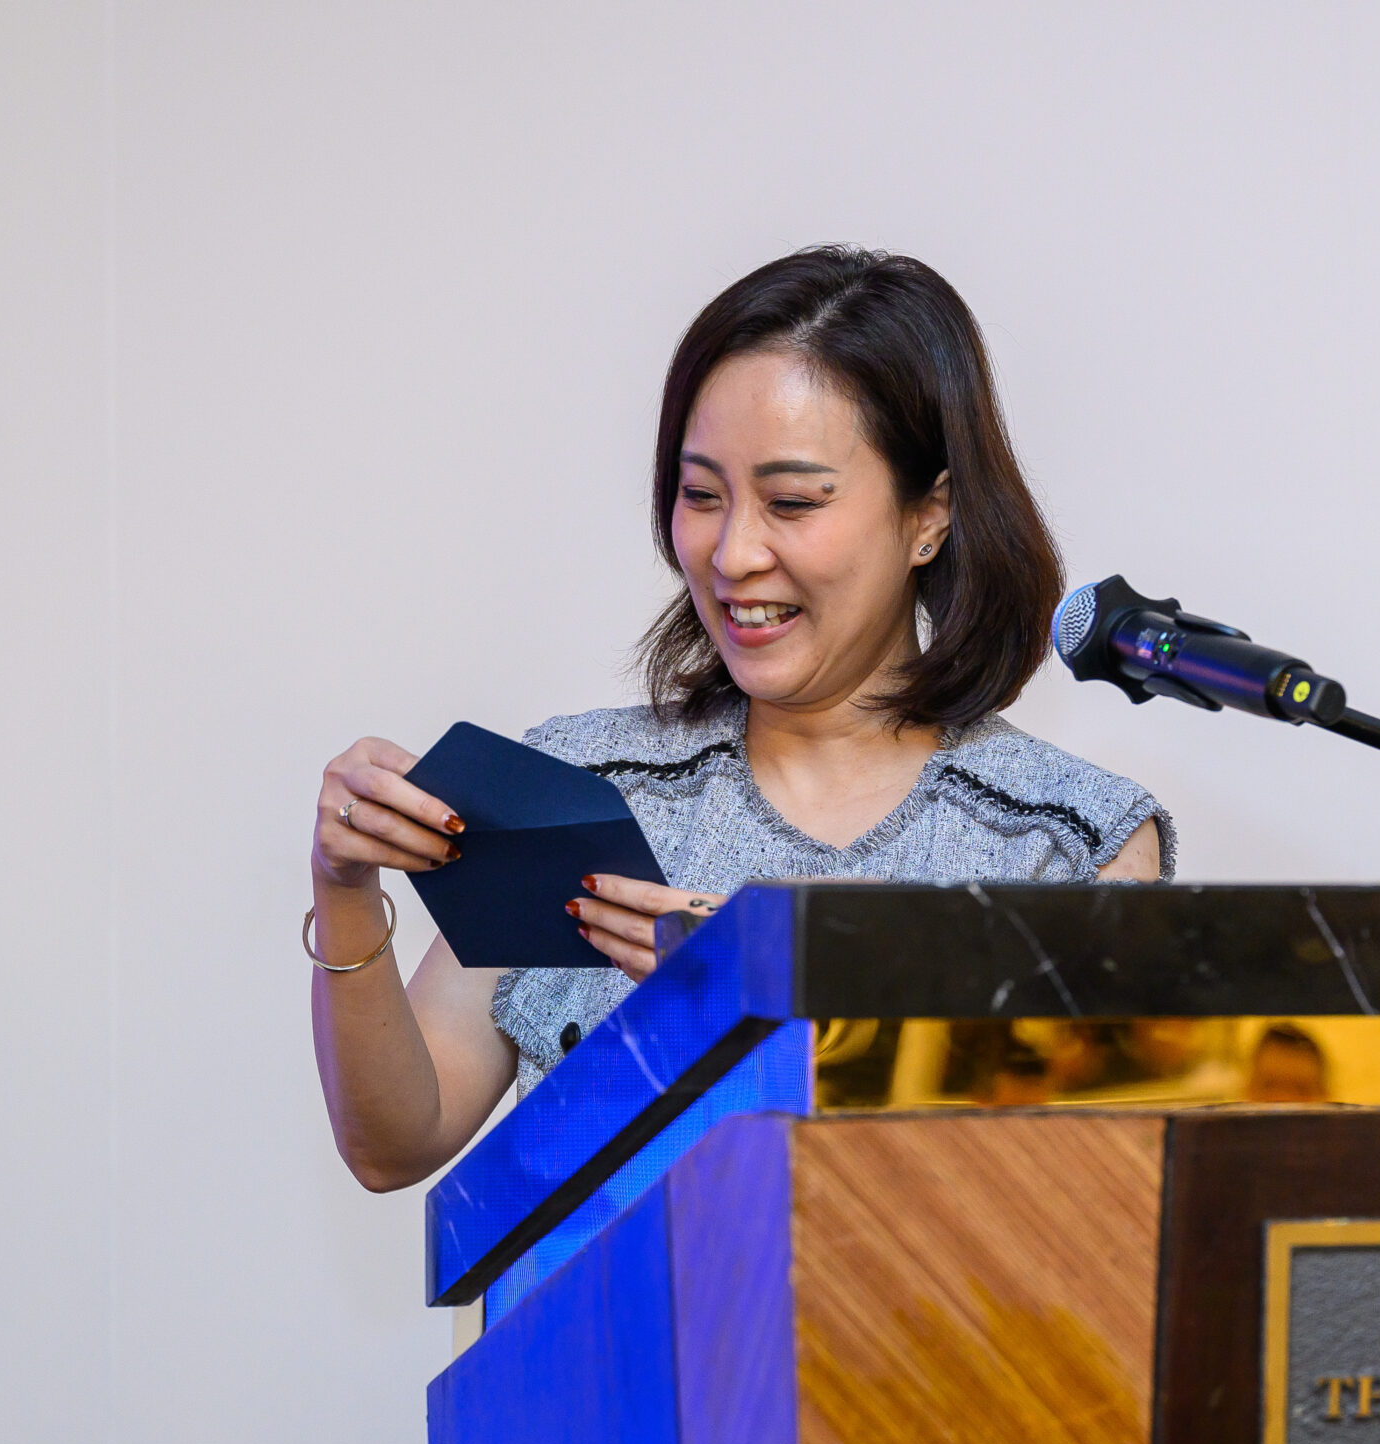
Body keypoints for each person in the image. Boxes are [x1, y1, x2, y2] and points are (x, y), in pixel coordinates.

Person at [309, 249, 1173, 1191]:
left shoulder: (1065, 846)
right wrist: (345, 886)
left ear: (930, 515)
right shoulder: (580, 785)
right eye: (701, 495)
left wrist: (783, 1002)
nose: (732, 553)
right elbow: (394, 1144)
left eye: (792, 501)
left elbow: (1082, 1207)